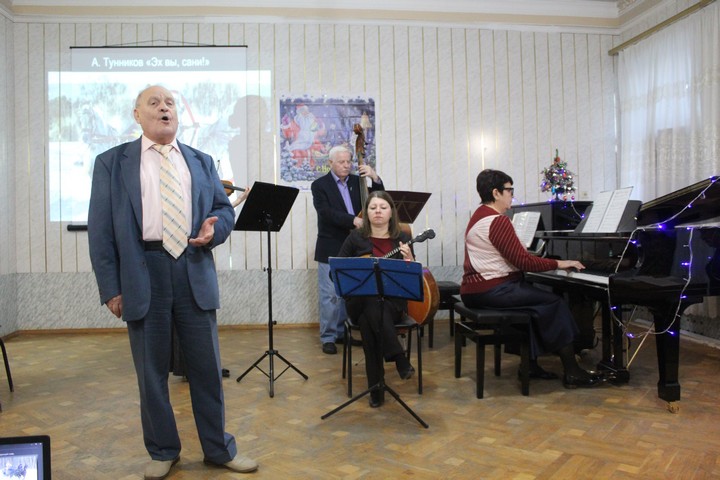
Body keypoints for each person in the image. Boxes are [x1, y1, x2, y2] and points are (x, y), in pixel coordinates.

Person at [88, 85, 258, 480]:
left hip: (193, 267)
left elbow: (223, 211)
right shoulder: (111, 163)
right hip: (142, 270)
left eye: (170, 103)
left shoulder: (201, 160)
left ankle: (218, 449)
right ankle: (163, 450)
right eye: (154, 103)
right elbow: (100, 230)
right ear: (137, 115)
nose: (164, 108)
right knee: (151, 373)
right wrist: (111, 288)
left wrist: (214, 231)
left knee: (207, 369)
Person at [460, 169, 604, 389]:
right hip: (491, 290)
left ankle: (530, 365)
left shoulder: (479, 216)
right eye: (509, 190)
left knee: (534, 303)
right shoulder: (497, 221)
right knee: (554, 303)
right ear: (496, 193)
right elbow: (524, 262)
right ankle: (572, 372)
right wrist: (559, 263)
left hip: (476, 290)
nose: (512, 195)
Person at [337, 191, 417, 407]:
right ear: (366, 213)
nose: (378, 211)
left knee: (369, 319)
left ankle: (376, 390)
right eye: (373, 208)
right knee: (370, 301)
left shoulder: (402, 239)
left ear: (391, 212)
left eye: (383, 207)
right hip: (359, 302)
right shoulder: (355, 237)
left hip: (392, 304)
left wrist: (409, 259)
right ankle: (399, 358)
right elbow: (337, 273)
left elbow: (411, 278)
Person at [311, 144, 383, 354]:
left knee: (348, 293)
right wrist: (353, 220)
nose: (346, 165)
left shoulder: (356, 181)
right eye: (341, 162)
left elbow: (378, 202)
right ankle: (328, 337)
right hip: (331, 245)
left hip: (356, 246)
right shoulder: (320, 185)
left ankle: (343, 333)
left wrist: (375, 178)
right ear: (330, 163)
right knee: (330, 295)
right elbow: (326, 213)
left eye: (348, 161)